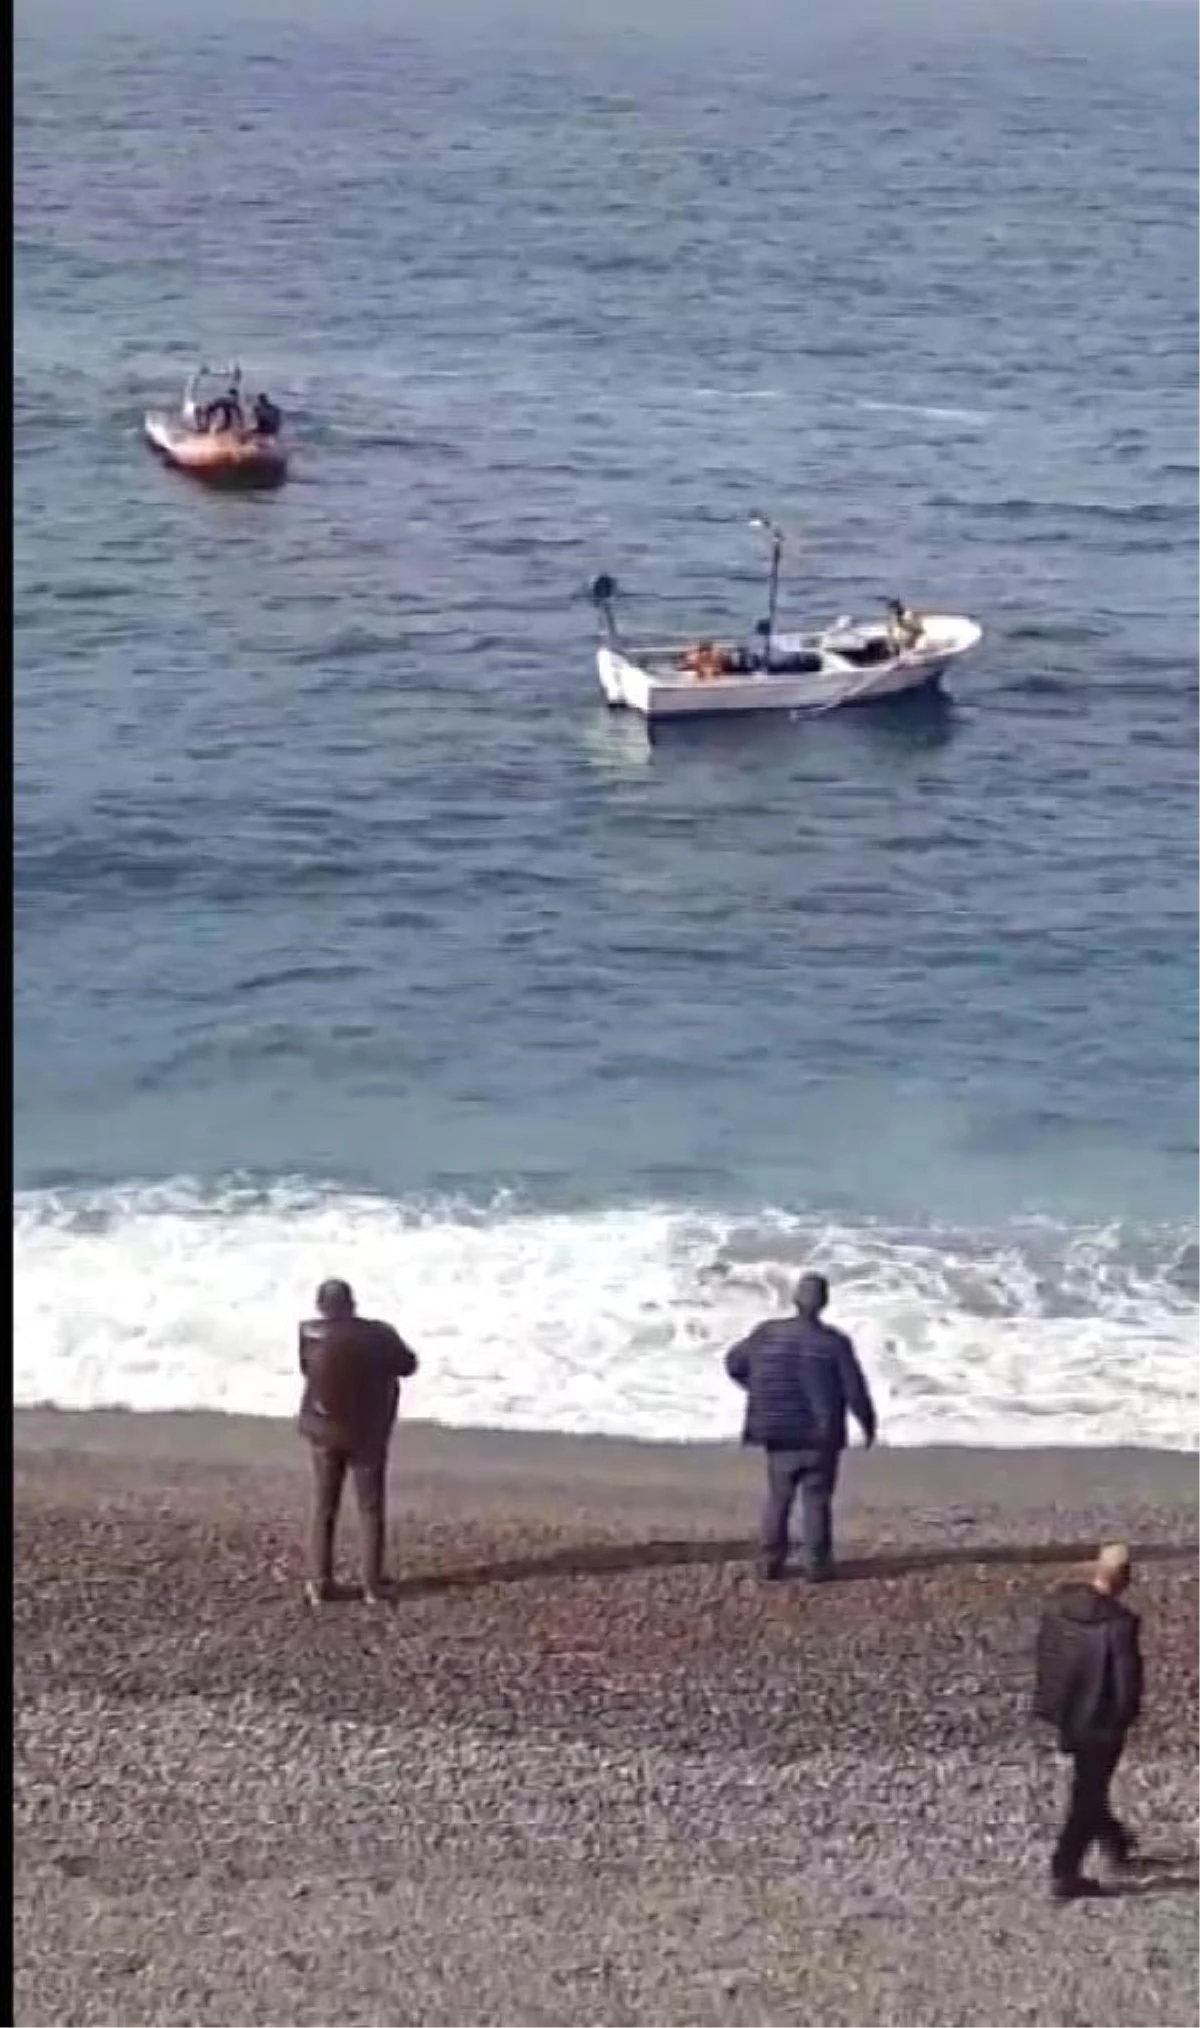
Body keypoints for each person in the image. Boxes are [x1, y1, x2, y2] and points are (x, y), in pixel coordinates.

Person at [724, 1271, 877, 1582]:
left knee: (779, 1497)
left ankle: (771, 1561)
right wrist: (867, 1423)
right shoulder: (833, 1342)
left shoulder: (766, 1333)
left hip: (777, 1431)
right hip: (821, 1435)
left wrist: (757, 1387)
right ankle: (817, 1565)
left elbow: (734, 1364)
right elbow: (854, 1389)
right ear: (824, 1303)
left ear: (794, 1299)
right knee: (816, 1499)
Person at [297, 1278, 419, 1607]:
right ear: (352, 1303)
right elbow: (409, 1365)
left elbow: (307, 1370)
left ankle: (320, 1583)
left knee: (324, 1507)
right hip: (366, 1432)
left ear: (321, 1306)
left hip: (322, 1429)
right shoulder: (378, 1334)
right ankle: (371, 1584)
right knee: (369, 1508)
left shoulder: (308, 1332)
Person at [1033, 1543, 1144, 1900]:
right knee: (1088, 1793)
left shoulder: (1060, 1608)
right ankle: (1064, 1871)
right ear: (1125, 1578)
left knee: (1089, 1782)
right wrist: (1125, 1718)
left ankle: (1113, 1839)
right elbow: (1127, 1683)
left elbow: (1049, 1657)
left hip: (1068, 1712)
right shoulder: (1119, 1624)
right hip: (1101, 1721)